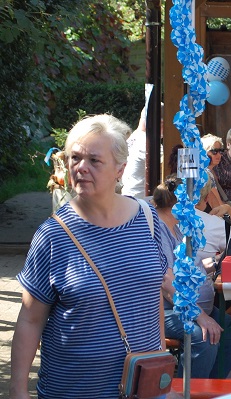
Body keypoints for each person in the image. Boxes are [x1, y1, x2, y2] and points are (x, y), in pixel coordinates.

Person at [10, 114, 167, 398]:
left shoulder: (148, 219)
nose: (81, 168)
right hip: (74, 389)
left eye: (94, 160)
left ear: (120, 169)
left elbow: (151, 293)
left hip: (141, 386)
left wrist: (160, 361)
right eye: (75, 158)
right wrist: (18, 390)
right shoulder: (53, 235)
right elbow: (30, 319)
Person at [154, 176, 231, 379]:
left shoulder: (177, 228)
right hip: (166, 310)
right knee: (204, 338)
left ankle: (212, 385)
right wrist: (200, 316)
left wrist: (213, 265)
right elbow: (167, 284)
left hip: (191, 307)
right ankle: (189, 391)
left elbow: (190, 266)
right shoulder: (157, 232)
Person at [121, 105, 164, 198]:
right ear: (160, 123)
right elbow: (167, 168)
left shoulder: (133, 138)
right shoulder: (149, 143)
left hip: (128, 195)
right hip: (141, 201)